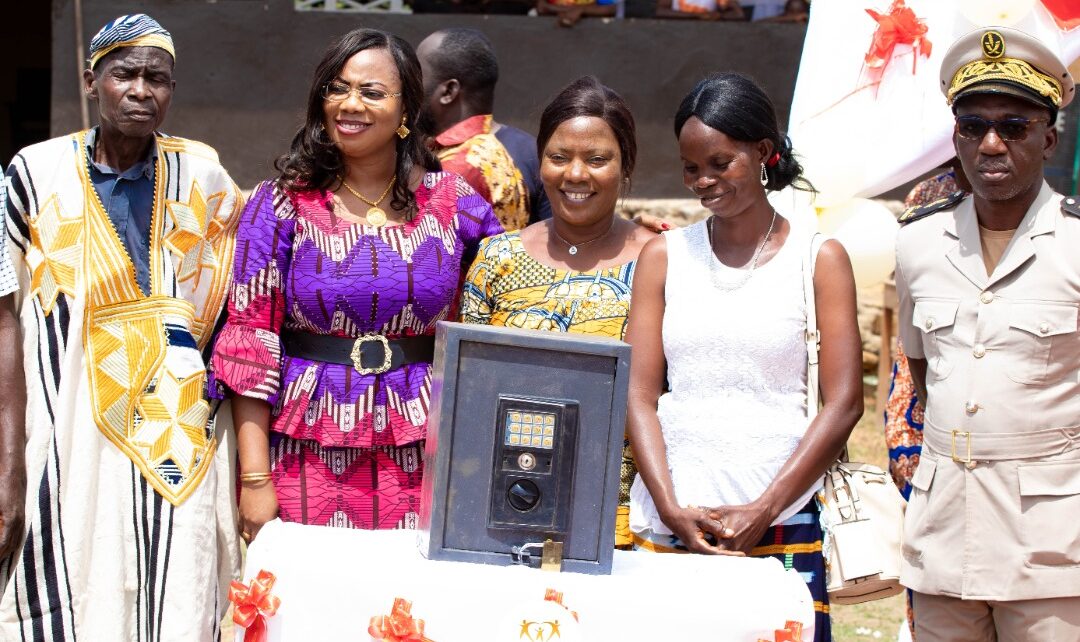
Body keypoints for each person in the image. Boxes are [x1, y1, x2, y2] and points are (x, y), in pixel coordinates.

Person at [0, 14, 243, 640]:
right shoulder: (34, 172)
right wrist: (8, 462)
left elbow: (238, 296)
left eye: (156, 79)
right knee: (69, 564)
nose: (141, 90)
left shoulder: (204, 175)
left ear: (172, 90)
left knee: (175, 581)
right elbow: (5, 317)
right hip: (64, 420)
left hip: (176, 427)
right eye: (124, 74)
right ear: (91, 82)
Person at [209, 28, 503, 542]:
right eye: (338, 88)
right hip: (305, 446)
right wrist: (254, 479)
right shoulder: (280, 204)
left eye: (372, 92)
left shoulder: (454, 201)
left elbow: (505, 295)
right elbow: (250, 340)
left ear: (406, 109)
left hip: (424, 445)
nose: (350, 104)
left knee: (411, 589)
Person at [625, 72, 863, 642]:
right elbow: (637, 393)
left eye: (719, 163)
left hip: (783, 519)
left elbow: (846, 402)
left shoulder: (818, 258)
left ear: (762, 152)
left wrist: (764, 508)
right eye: (691, 168)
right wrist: (670, 506)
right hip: (676, 520)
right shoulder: (664, 256)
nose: (703, 182)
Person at [895, 26, 1080, 640]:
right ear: (956, 138)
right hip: (944, 539)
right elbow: (925, 375)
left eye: (1014, 127)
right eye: (973, 127)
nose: (991, 144)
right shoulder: (919, 242)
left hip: (1052, 552)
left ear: (1049, 138)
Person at [460, 76, 655, 549]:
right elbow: (467, 394)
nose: (576, 174)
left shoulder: (659, 261)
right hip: (504, 506)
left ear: (626, 166)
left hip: (622, 514)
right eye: (559, 156)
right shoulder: (497, 258)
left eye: (597, 159)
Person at [416, 29, 532, 231]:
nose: (406, 88)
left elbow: (420, 243)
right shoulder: (486, 148)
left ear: (448, 91)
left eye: (416, 76)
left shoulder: (458, 166)